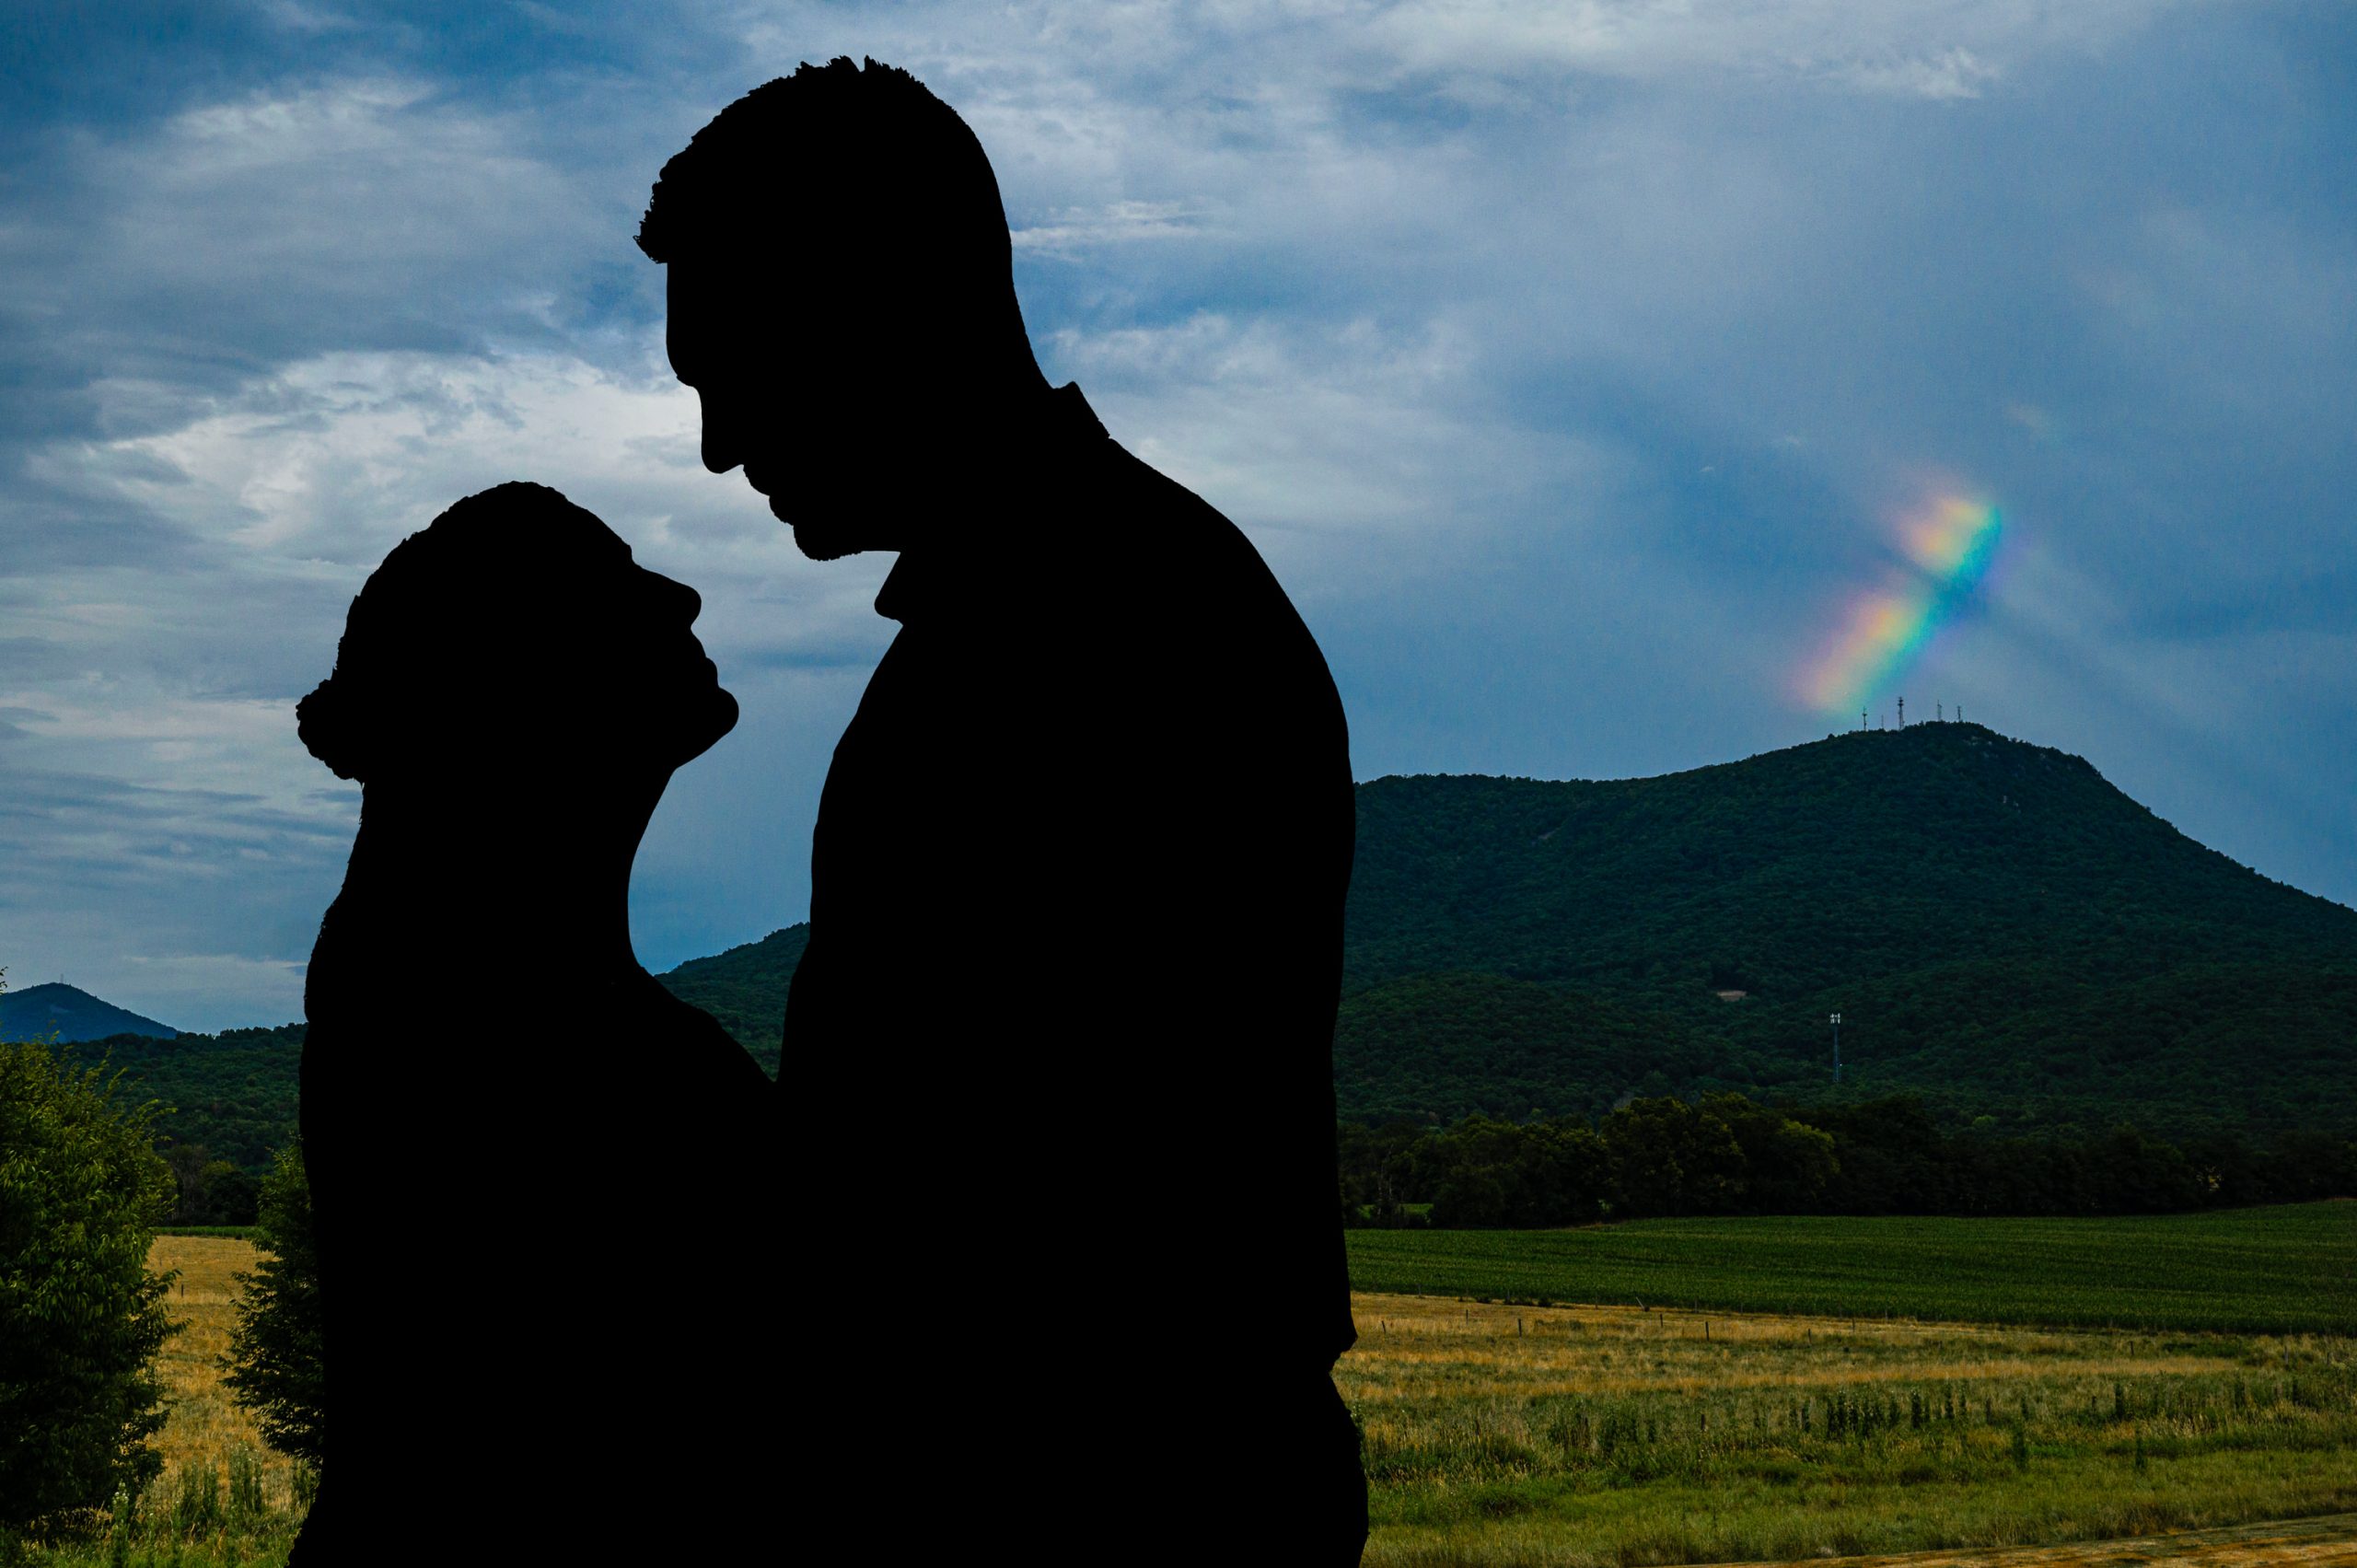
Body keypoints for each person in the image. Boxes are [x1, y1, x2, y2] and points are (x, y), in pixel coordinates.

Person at [642, 59, 1365, 1561]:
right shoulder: (1130, 595)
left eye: (734, 366)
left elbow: (944, 1217)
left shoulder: (1055, 649)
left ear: (872, 305)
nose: (717, 443)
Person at [291, 482, 772, 1563]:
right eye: (615, 585)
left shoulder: (438, 990)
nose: (683, 594)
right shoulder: (545, 1048)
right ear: (517, 691)